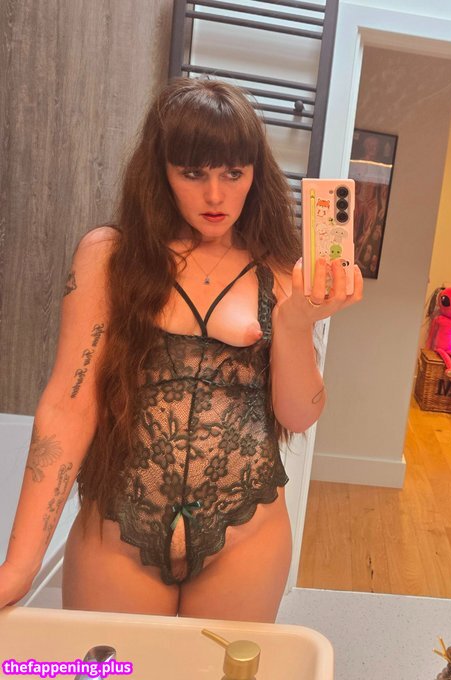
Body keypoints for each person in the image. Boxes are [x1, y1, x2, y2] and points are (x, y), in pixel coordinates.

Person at [0, 78, 363, 622]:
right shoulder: (110, 257)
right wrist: (20, 565)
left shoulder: (280, 271)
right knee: (111, 663)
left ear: (255, 175)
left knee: (218, 666)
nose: (215, 196)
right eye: (192, 173)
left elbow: (298, 415)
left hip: (246, 536)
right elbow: (67, 407)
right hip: (117, 530)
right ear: (161, 172)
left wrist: (293, 325)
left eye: (233, 173)